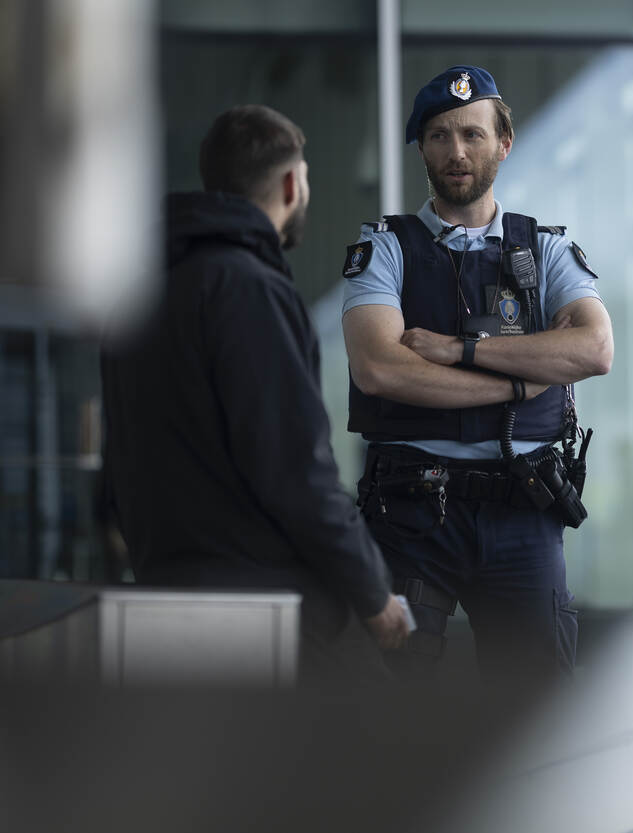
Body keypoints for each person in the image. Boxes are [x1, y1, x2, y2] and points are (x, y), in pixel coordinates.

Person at [101, 105, 409, 684]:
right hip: (267, 618)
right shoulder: (247, 289)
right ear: (293, 184)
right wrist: (373, 594)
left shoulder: (137, 295)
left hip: (166, 605)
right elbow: (296, 467)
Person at [340, 66, 613, 684]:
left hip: (522, 511)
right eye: (438, 136)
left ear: (504, 143)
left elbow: (593, 350)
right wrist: (520, 380)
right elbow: (380, 367)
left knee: (537, 716)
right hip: (410, 515)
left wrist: (459, 351)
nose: (456, 151)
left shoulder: (544, 251)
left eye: (472, 134)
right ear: (422, 148)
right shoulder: (385, 248)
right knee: (388, 708)